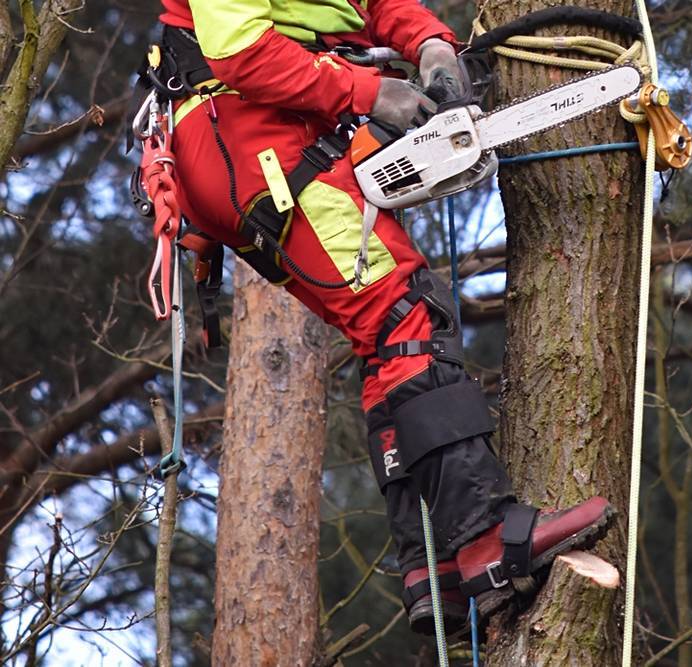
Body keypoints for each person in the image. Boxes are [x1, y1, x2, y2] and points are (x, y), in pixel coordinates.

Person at [150, 0, 614, 634]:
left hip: (268, 138)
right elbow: (240, 50)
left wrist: (429, 45)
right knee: (405, 317)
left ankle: (434, 565)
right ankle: (483, 534)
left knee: (385, 340)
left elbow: (368, 4)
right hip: (248, 137)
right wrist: (368, 90)